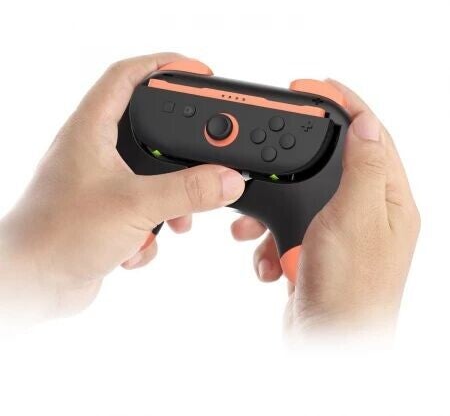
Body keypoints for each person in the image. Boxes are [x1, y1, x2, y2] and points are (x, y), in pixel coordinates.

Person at [0, 53, 420, 341]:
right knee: (301, 259)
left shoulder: (148, 105)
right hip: (314, 150)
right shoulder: (327, 124)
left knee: (301, 260)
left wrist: (34, 268)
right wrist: (353, 335)